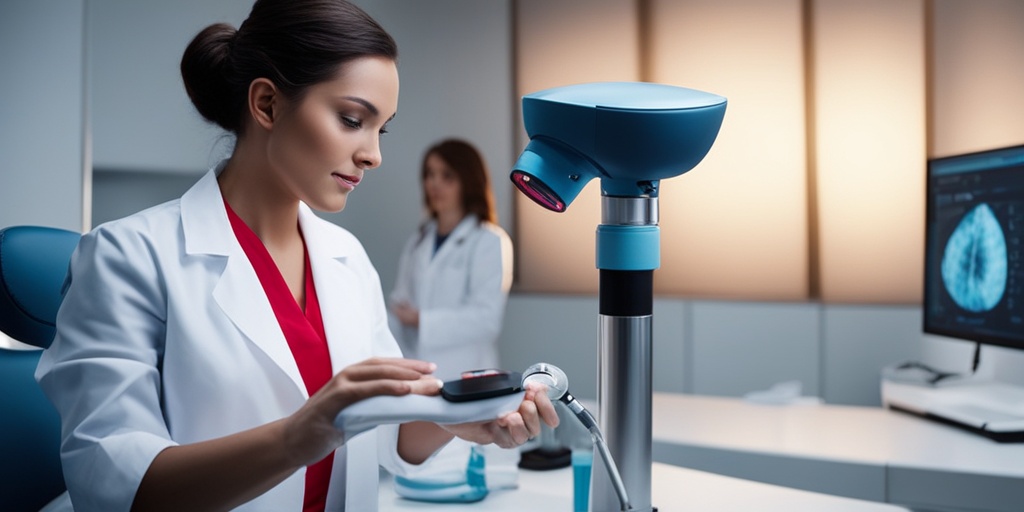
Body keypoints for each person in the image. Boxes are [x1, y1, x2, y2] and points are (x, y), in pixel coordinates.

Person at [34, 1, 557, 511]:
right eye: (353, 119)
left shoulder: (346, 258)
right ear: (266, 104)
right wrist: (298, 436)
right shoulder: (127, 258)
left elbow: (389, 432)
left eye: (382, 128)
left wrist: (454, 419)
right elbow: (115, 488)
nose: (373, 154)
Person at [389, 139, 513, 382]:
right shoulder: (420, 239)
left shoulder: (488, 240)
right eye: (430, 174)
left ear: (467, 181)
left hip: (466, 373)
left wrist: (420, 320)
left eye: (447, 176)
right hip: (417, 369)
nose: (434, 184)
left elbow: (486, 320)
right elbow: (399, 303)